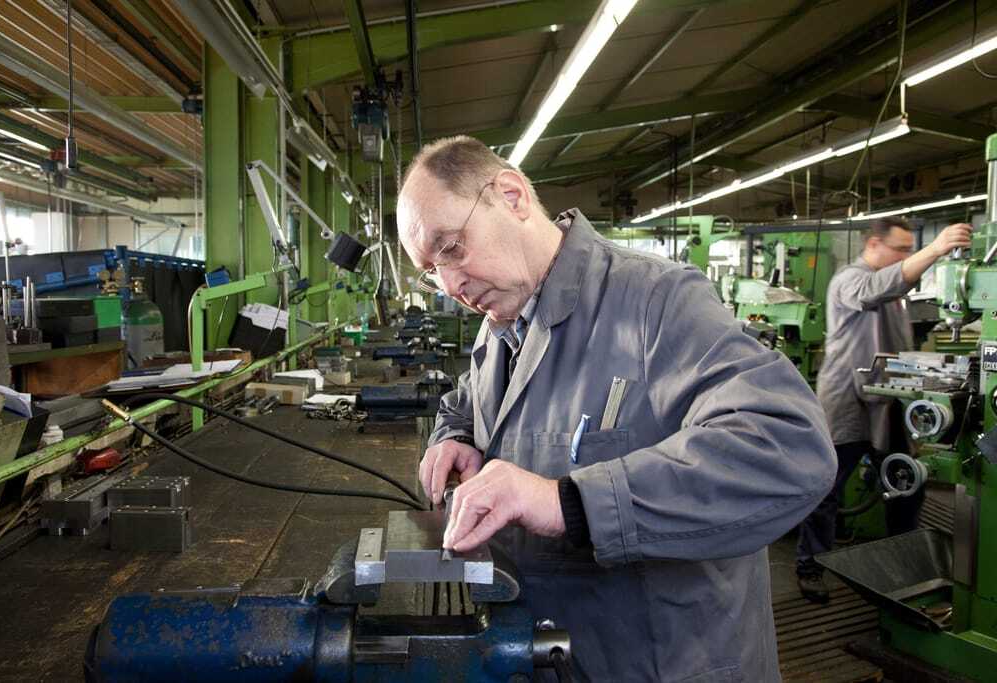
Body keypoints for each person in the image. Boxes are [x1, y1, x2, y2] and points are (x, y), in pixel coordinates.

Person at [397, 135, 836, 682]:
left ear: (511, 197)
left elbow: (789, 447)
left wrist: (567, 502)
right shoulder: (499, 326)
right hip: (552, 653)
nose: (450, 286)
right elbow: (469, 397)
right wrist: (454, 434)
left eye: (451, 249)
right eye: (431, 271)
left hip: (662, 664)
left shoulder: (656, 300)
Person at [797, 217, 973, 603]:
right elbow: (874, 290)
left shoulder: (897, 289)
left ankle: (903, 562)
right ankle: (811, 565)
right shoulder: (850, 279)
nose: (906, 256)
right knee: (827, 487)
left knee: (906, 482)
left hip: (888, 398)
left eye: (910, 249)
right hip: (847, 401)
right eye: (901, 249)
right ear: (874, 244)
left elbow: (896, 287)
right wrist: (935, 248)